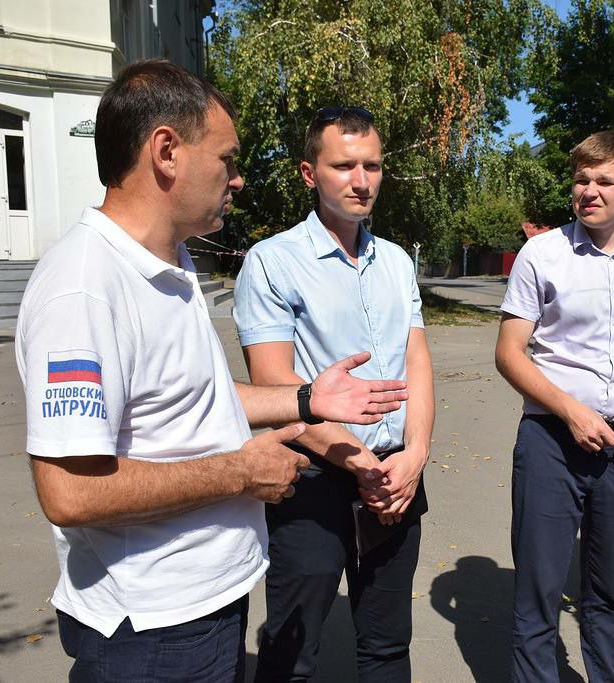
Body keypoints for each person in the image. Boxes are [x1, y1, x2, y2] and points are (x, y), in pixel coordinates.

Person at [15, 60, 408, 682]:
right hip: (148, 629)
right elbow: (70, 490)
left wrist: (306, 399)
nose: (238, 178)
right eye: (227, 159)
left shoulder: (167, 265)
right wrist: (240, 472)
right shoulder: (85, 287)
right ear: (166, 152)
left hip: (200, 608)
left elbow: (193, 398)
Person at [233, 105, 434, 683]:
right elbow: (275, 383)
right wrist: (361, 461)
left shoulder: (395, 261)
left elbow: (417, 361)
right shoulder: (273, 262)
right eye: (344, 166)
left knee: (388, 646)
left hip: (396, 477)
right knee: (292, 653)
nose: (361, 180)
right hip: (313, 477)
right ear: (309, 173)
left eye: (372, 165)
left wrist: (415, 455)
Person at [495, 130, 614, 683]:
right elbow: (509, 351)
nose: (590, 191)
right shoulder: (542, 253)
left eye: (605, 181)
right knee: (538, 590)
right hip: (551, 441)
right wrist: (569, 411)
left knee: (608, 592)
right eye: (582, 180)